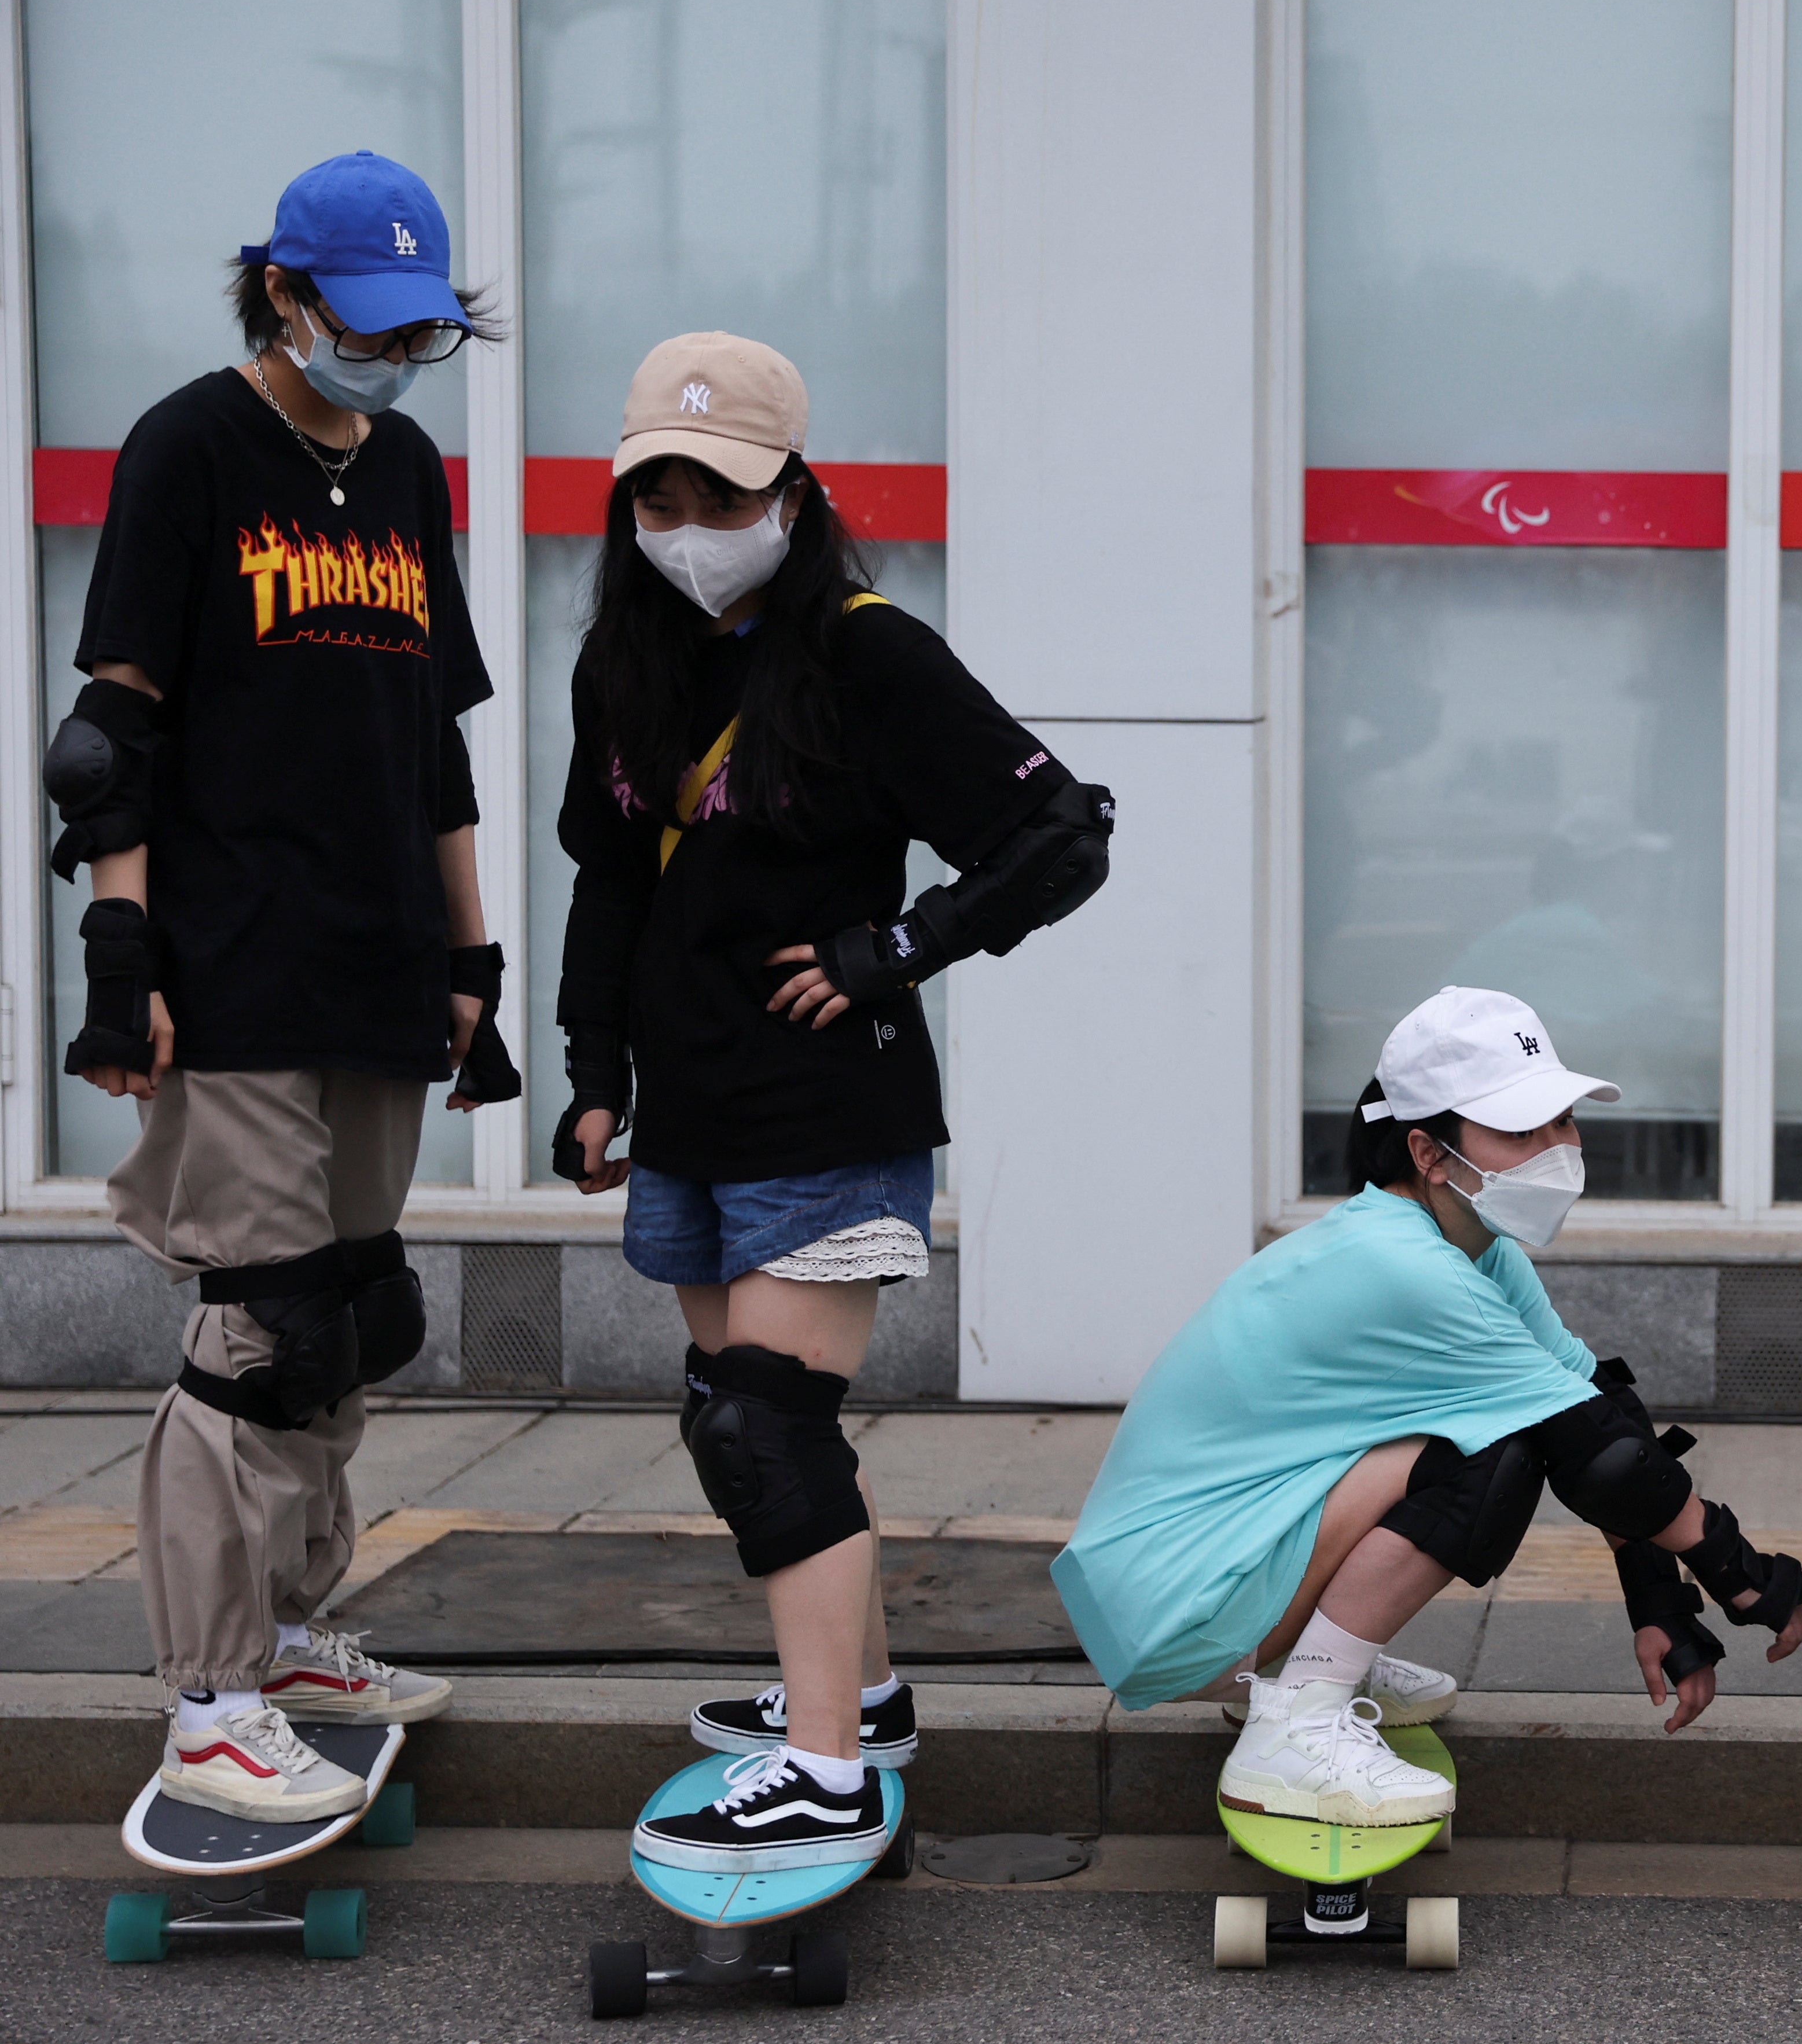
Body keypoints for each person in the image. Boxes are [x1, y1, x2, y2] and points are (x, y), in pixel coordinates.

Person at [551, 332, 1113, 1873]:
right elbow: (608, 877)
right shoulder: (627, 657)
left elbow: (1058, 833)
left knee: (771, 1427)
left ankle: (824, 1768)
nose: (681, 518)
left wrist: (898, 948)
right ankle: (857, 1700)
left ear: (791, 490)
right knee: (734, 1424)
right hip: (693, 1107)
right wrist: (593, 1072)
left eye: (715, 489)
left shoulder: (870, 653)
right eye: (654, 489)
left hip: (827, 1109)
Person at [43, 153, 512, 1823]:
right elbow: (112, 734)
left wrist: (473, 961)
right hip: (235, 961)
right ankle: (211, 1700)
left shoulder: (406, 471)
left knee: (352, 1315)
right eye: (364, 325)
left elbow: (433, 740)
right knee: (258, 1332)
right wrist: (122, 959)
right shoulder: (189, 447)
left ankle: (300, 1628)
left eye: (420, 332)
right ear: (286, 297)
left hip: (380, 956)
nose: (390, 357)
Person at [1056, 987, 1802, 1827]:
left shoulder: (1467, 1244)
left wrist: (1659, 1600)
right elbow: (1584, 1452)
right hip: (1180, 1612)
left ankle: (1318, 1660)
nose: (1559, 1148)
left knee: (1522, 1426)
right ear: (1429, 1150)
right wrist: (1741, 1577)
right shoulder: (1404, 1268)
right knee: (1492, 1456)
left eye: (1562, 1121)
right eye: (1522, 1131)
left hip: (1198, 1579)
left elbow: (1598, 1412)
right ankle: (1298, 1719)